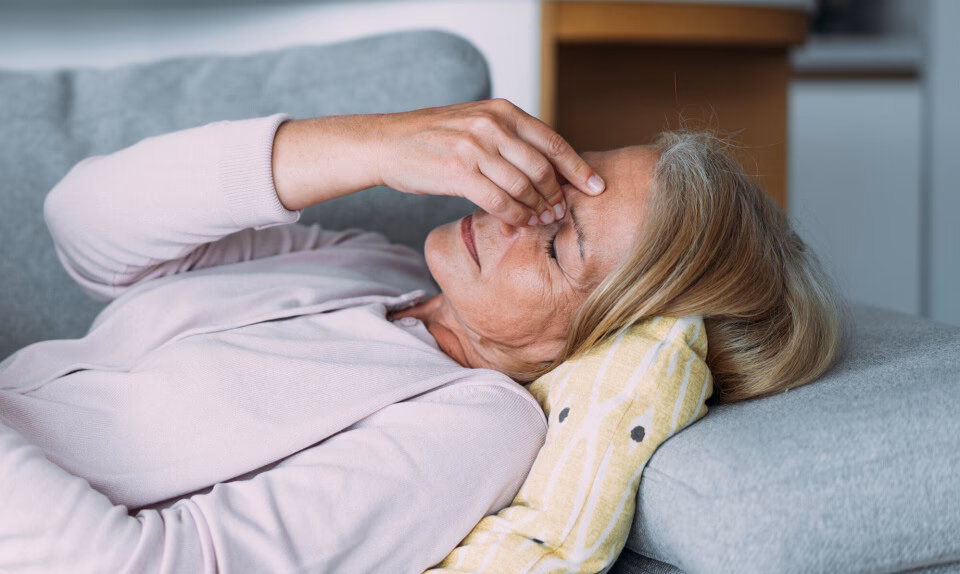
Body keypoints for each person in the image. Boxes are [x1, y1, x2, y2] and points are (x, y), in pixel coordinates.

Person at [0, 99, 842, 573]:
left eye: (556, 244)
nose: (515, 211)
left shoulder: (468, 427)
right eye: (557, 182)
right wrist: (377, 144)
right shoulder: (372, 272)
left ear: (586, 344)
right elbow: (85, 227)